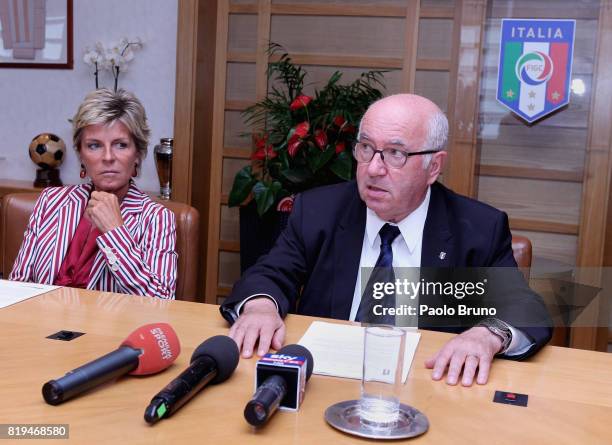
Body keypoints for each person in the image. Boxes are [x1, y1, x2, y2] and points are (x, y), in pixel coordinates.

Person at [220, 94, 552, 386]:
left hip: (428, 386)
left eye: (395, 153)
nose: (374, 168)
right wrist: (261, 307)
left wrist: (487, 335)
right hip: (324, 382)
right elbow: (270, 273)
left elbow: (524, 306)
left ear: (433, 166)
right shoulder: (319, 211)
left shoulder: (477, 229)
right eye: (366, 148)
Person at [10, 88, 177, 299]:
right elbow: (18, 286)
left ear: (138, 154)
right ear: (81, 154)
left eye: (121, 145)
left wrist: (115, 231)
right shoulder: (51, 201)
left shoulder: (157, 219)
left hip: (111, 331)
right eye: (94, 145)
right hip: (41, 327)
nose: (108, 157)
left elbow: (161, 302)